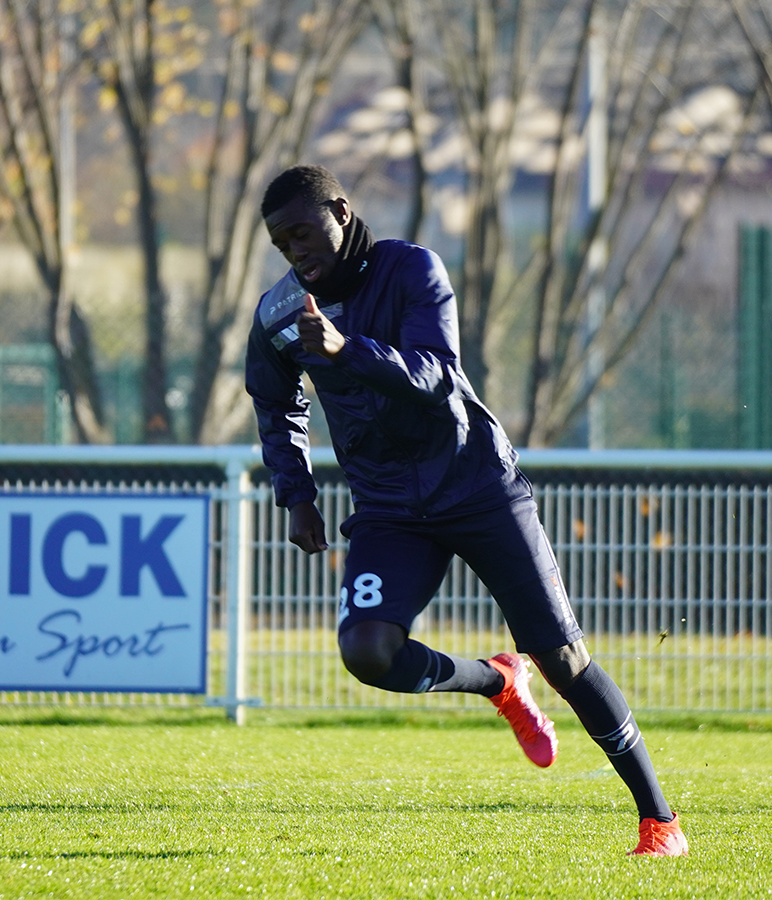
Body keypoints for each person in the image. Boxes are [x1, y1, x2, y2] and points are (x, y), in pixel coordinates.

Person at [245, 164, 687, 857]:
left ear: (341, 212)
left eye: (303, 232)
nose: (294, 251)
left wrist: (346, 349)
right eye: (281, 243)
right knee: (366, 651)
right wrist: (296, 493)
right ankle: (497, 681)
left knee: (563, 659)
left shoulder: (412, 270)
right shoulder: (278, 313)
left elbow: (437, 374)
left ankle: (659, 820)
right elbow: (275, 404)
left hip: (477, 486)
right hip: (388, 506)